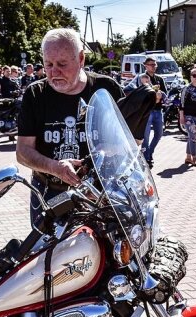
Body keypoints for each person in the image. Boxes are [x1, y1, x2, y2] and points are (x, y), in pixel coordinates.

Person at [16, 28, 123, 222]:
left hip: (100, 195)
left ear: (81, 59)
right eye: (48, 64)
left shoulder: (107, 89)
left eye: (62, 64)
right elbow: (23, 152)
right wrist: (55, 167)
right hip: (50, 192)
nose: (54, 72)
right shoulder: (35, 94)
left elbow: (129, 144)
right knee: (50, 251)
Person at [140, 56, 167, 169]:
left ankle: (149, 153)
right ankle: (146, 158)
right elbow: (134, 91)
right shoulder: (141, 78)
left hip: (158, 110)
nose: (154, 66)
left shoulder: (159, 79)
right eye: (151, 64)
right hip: (147, 112)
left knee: (159, 134)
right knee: (145, 137)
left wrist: (161, 95)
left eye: (155, 64)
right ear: (145, 66)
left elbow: (166, 94)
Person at [179, 67, 196, 166]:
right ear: (190, 77)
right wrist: (181, 117)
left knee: (191, 136)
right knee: (194, 136)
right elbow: (181, 103)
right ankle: (194, 158)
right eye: (194, 75)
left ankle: (188, 157)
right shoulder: (186, 88)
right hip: (188, 116)